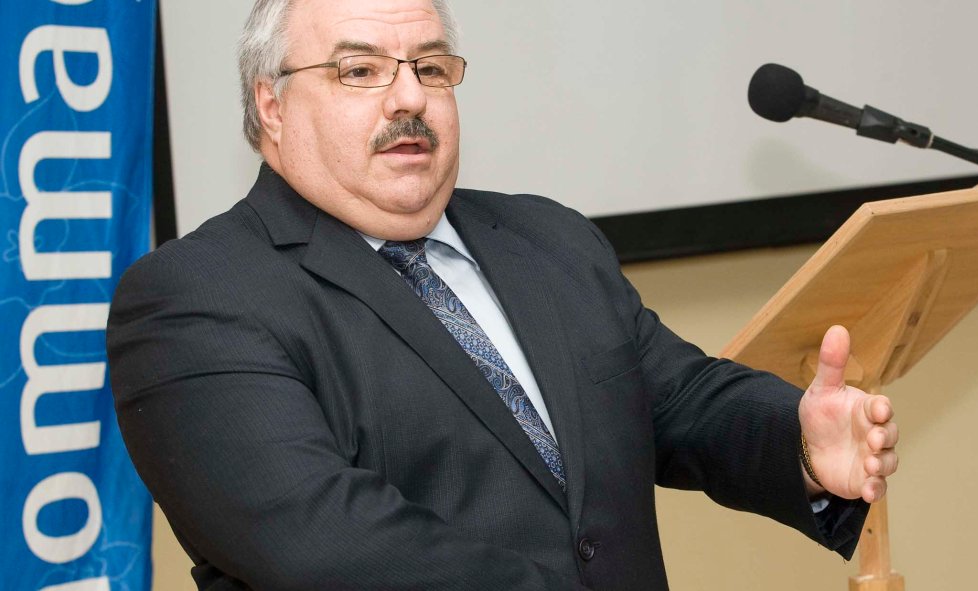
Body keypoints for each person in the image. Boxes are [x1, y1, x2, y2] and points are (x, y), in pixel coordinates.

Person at [107, 0, 899, 589]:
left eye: (429, 67)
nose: (408, 98)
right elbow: (322, 546)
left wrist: (795, 440)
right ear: (271, 106)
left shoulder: (548, 238)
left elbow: (678, 400)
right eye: (359, 71)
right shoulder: (194, 298)